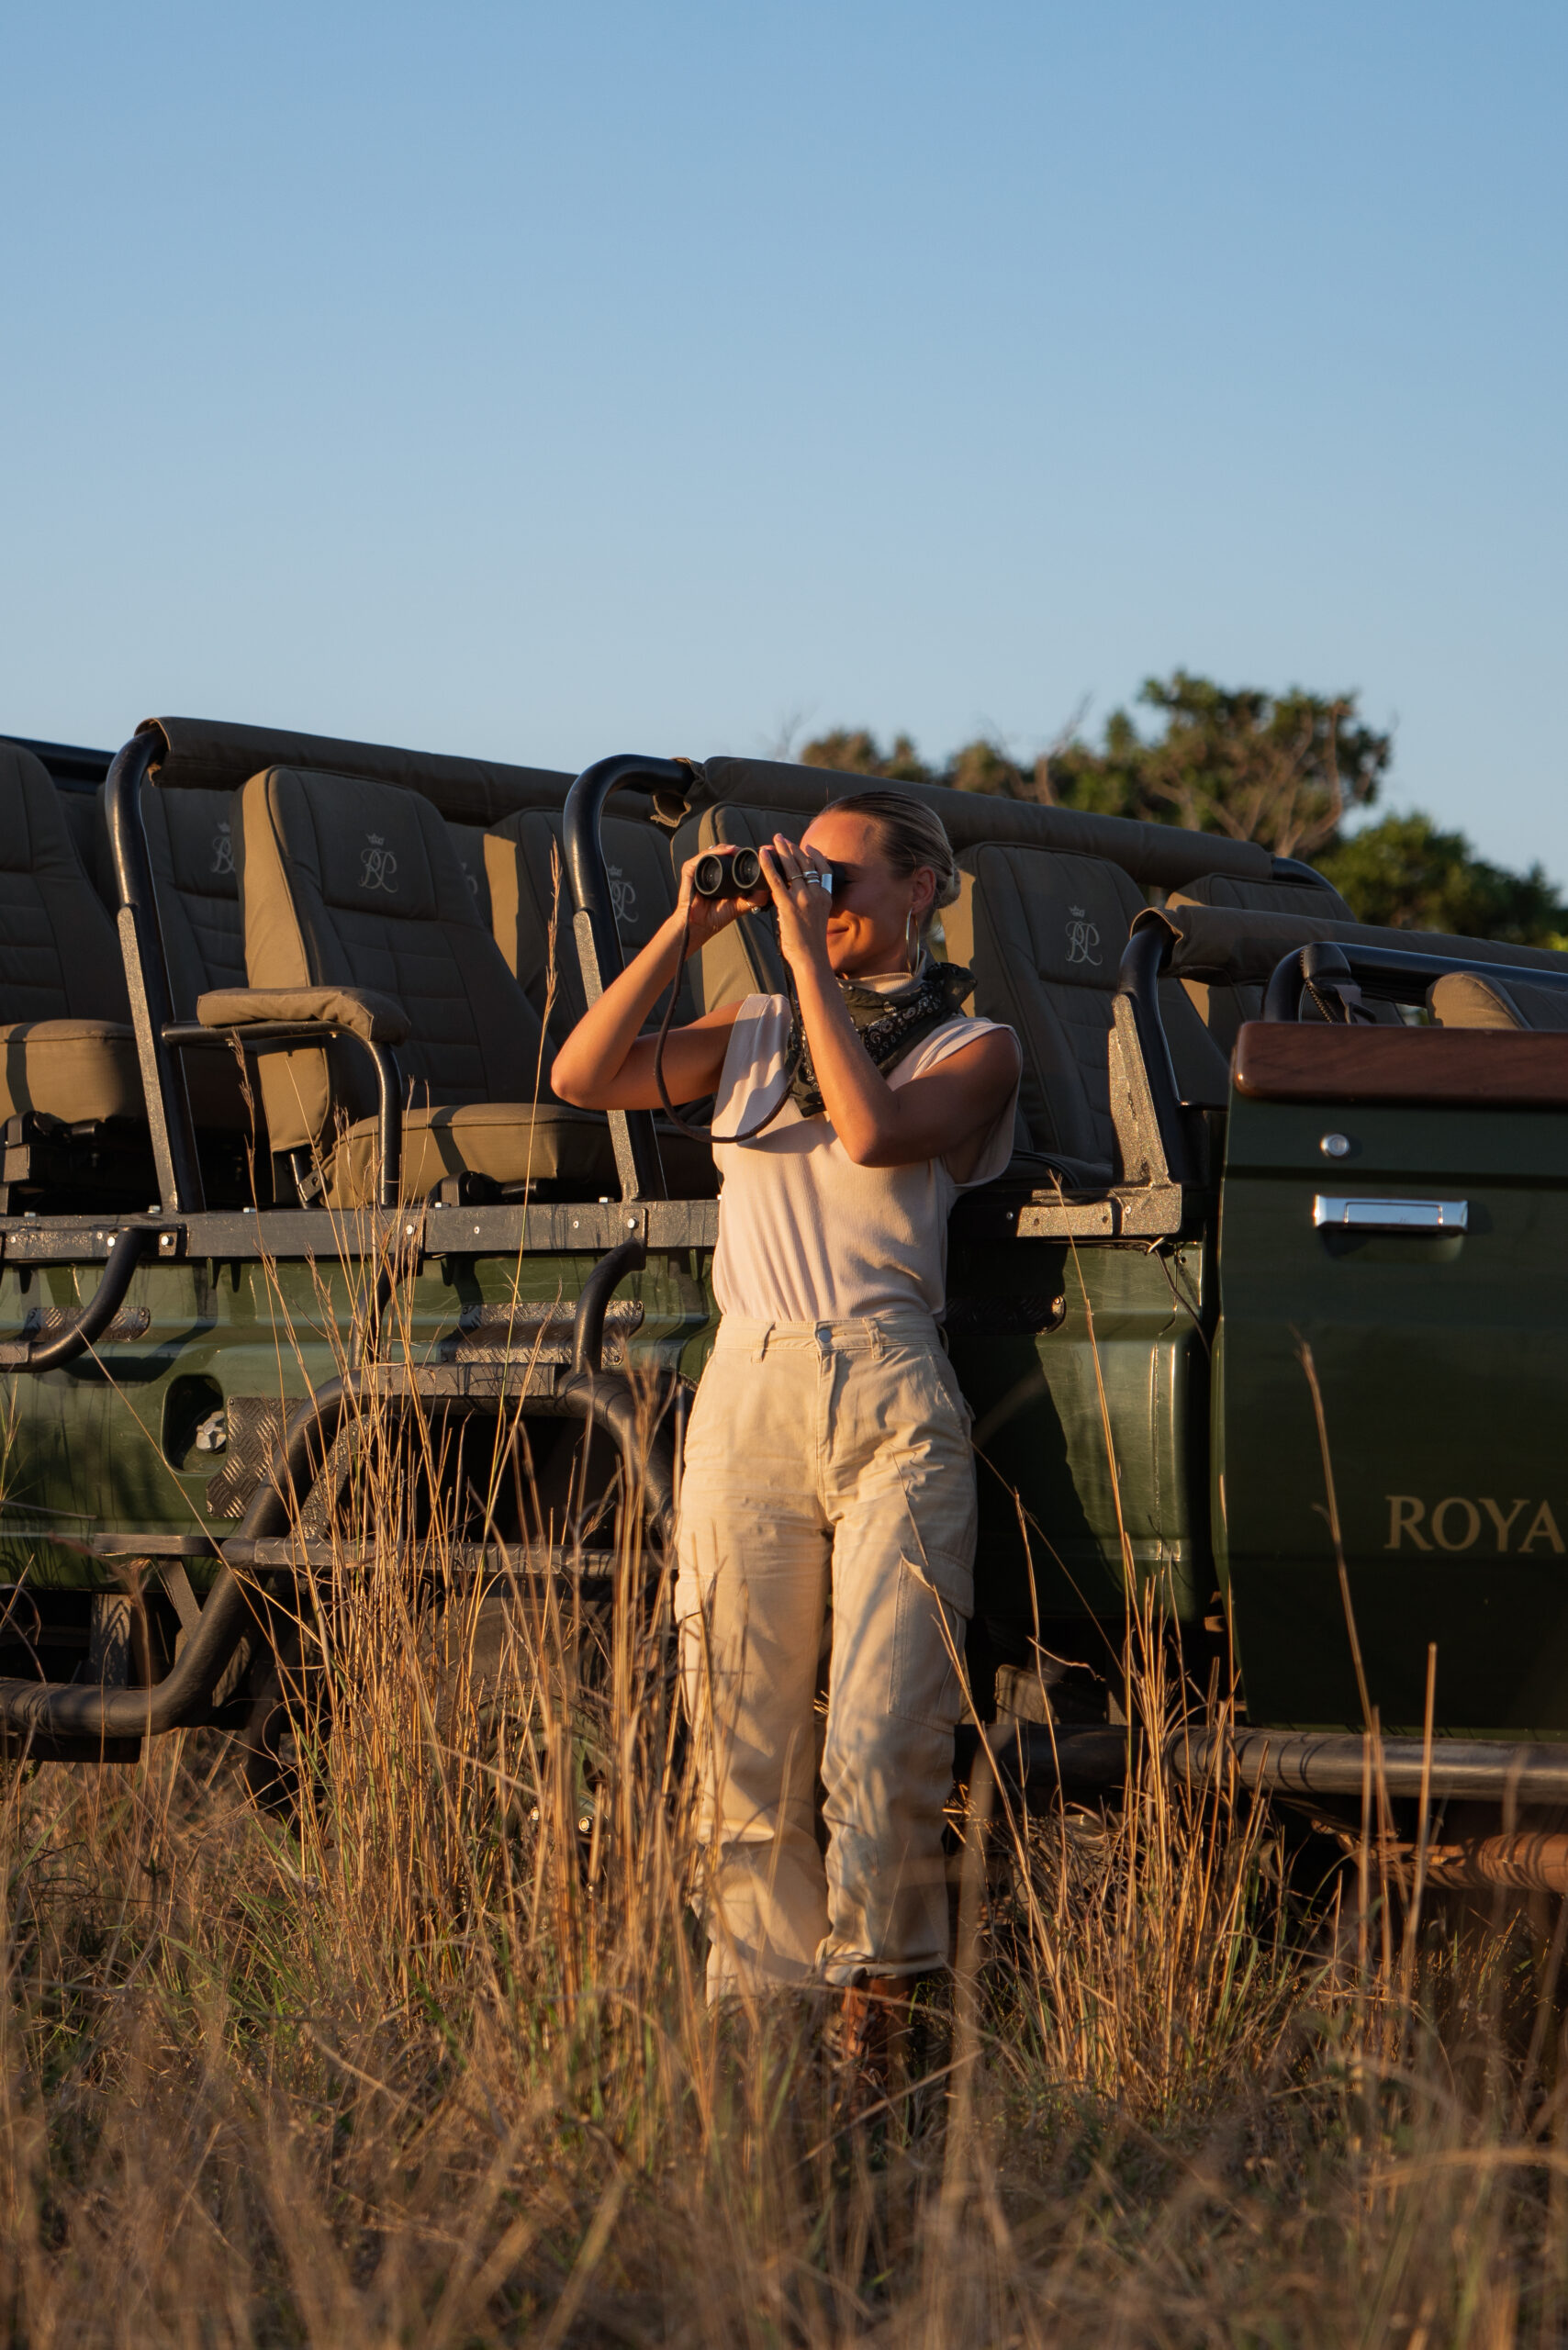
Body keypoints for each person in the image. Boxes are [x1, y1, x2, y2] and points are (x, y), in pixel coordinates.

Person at [552, 790, 1021, 2035]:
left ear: (922, 888)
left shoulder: (973, 1047)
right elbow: (583, 1073)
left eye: (841, 878)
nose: (815, 898)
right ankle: (755, 2054)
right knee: (740, 1751)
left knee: (884, 1749)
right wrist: (691, 928)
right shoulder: (754, 1023)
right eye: (799, 877)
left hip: (888, 1390)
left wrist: (804, 954)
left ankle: (884, 2054)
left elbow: (869, 1135)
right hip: (748, 1389)